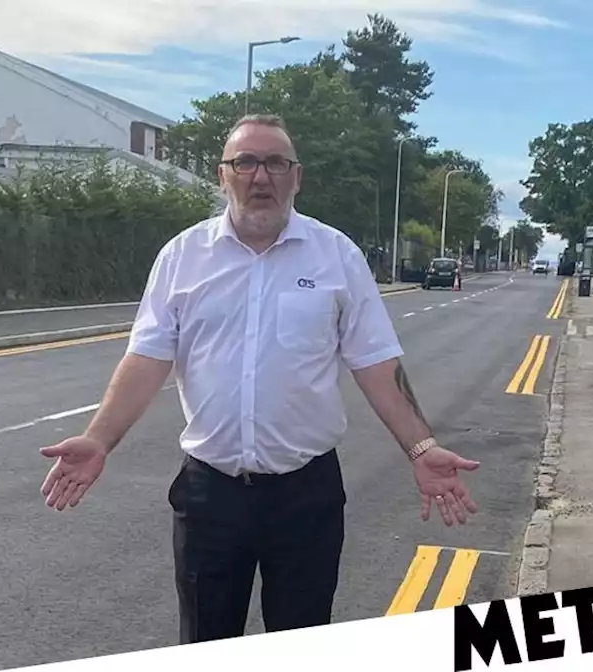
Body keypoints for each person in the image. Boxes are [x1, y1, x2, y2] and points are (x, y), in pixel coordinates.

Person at [39, 113, 480, 644]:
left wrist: (420, 447)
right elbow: (147, 358)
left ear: (298, 176)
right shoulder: (183, 257)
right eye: (245, 162)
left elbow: (377, 364)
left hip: (306, 497)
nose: (260, 176)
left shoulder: (336, 255)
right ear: (223, 175)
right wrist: (98, 437)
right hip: (209, 496)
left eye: (276, 162)